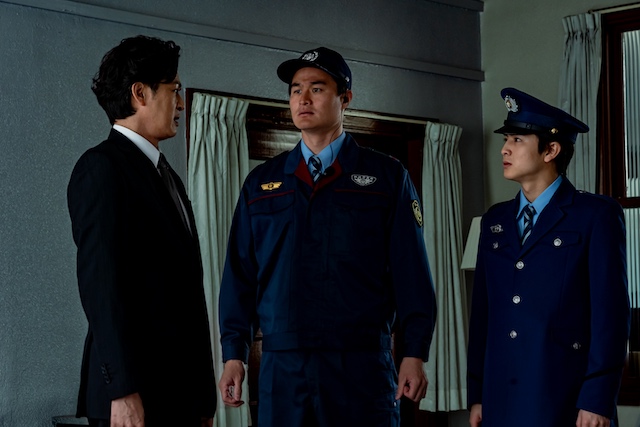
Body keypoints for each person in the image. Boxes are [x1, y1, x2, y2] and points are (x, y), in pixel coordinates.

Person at [217, 47, 437, 427]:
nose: (303, 98)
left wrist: (414, 353)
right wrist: (233, 354)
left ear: (345, 98)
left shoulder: (386, 178)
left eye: (316, 89)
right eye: (295, 90)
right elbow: (240, 275)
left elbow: (412, 273)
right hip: (283, 370)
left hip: (360, 365)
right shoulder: (261, 184)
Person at [67, 35, 216, 427]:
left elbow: (188, 296)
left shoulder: (169, 178)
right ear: (140, 93)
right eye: (174, 90)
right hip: (135, 399)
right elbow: (101, 288)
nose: (181, 103)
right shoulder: (101, 168)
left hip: (180, 398)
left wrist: (203, 398)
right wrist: (122, 390)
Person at [467, 87, 630, 427]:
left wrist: (597, 400)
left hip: (565, 399)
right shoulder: (495, 220)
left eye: (517, 140)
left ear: (551, 150)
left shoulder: (595, 215)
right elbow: (484, 314)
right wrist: (478, 394)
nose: (504, 149)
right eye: (506, 139)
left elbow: (610, 317)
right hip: (500, 399)